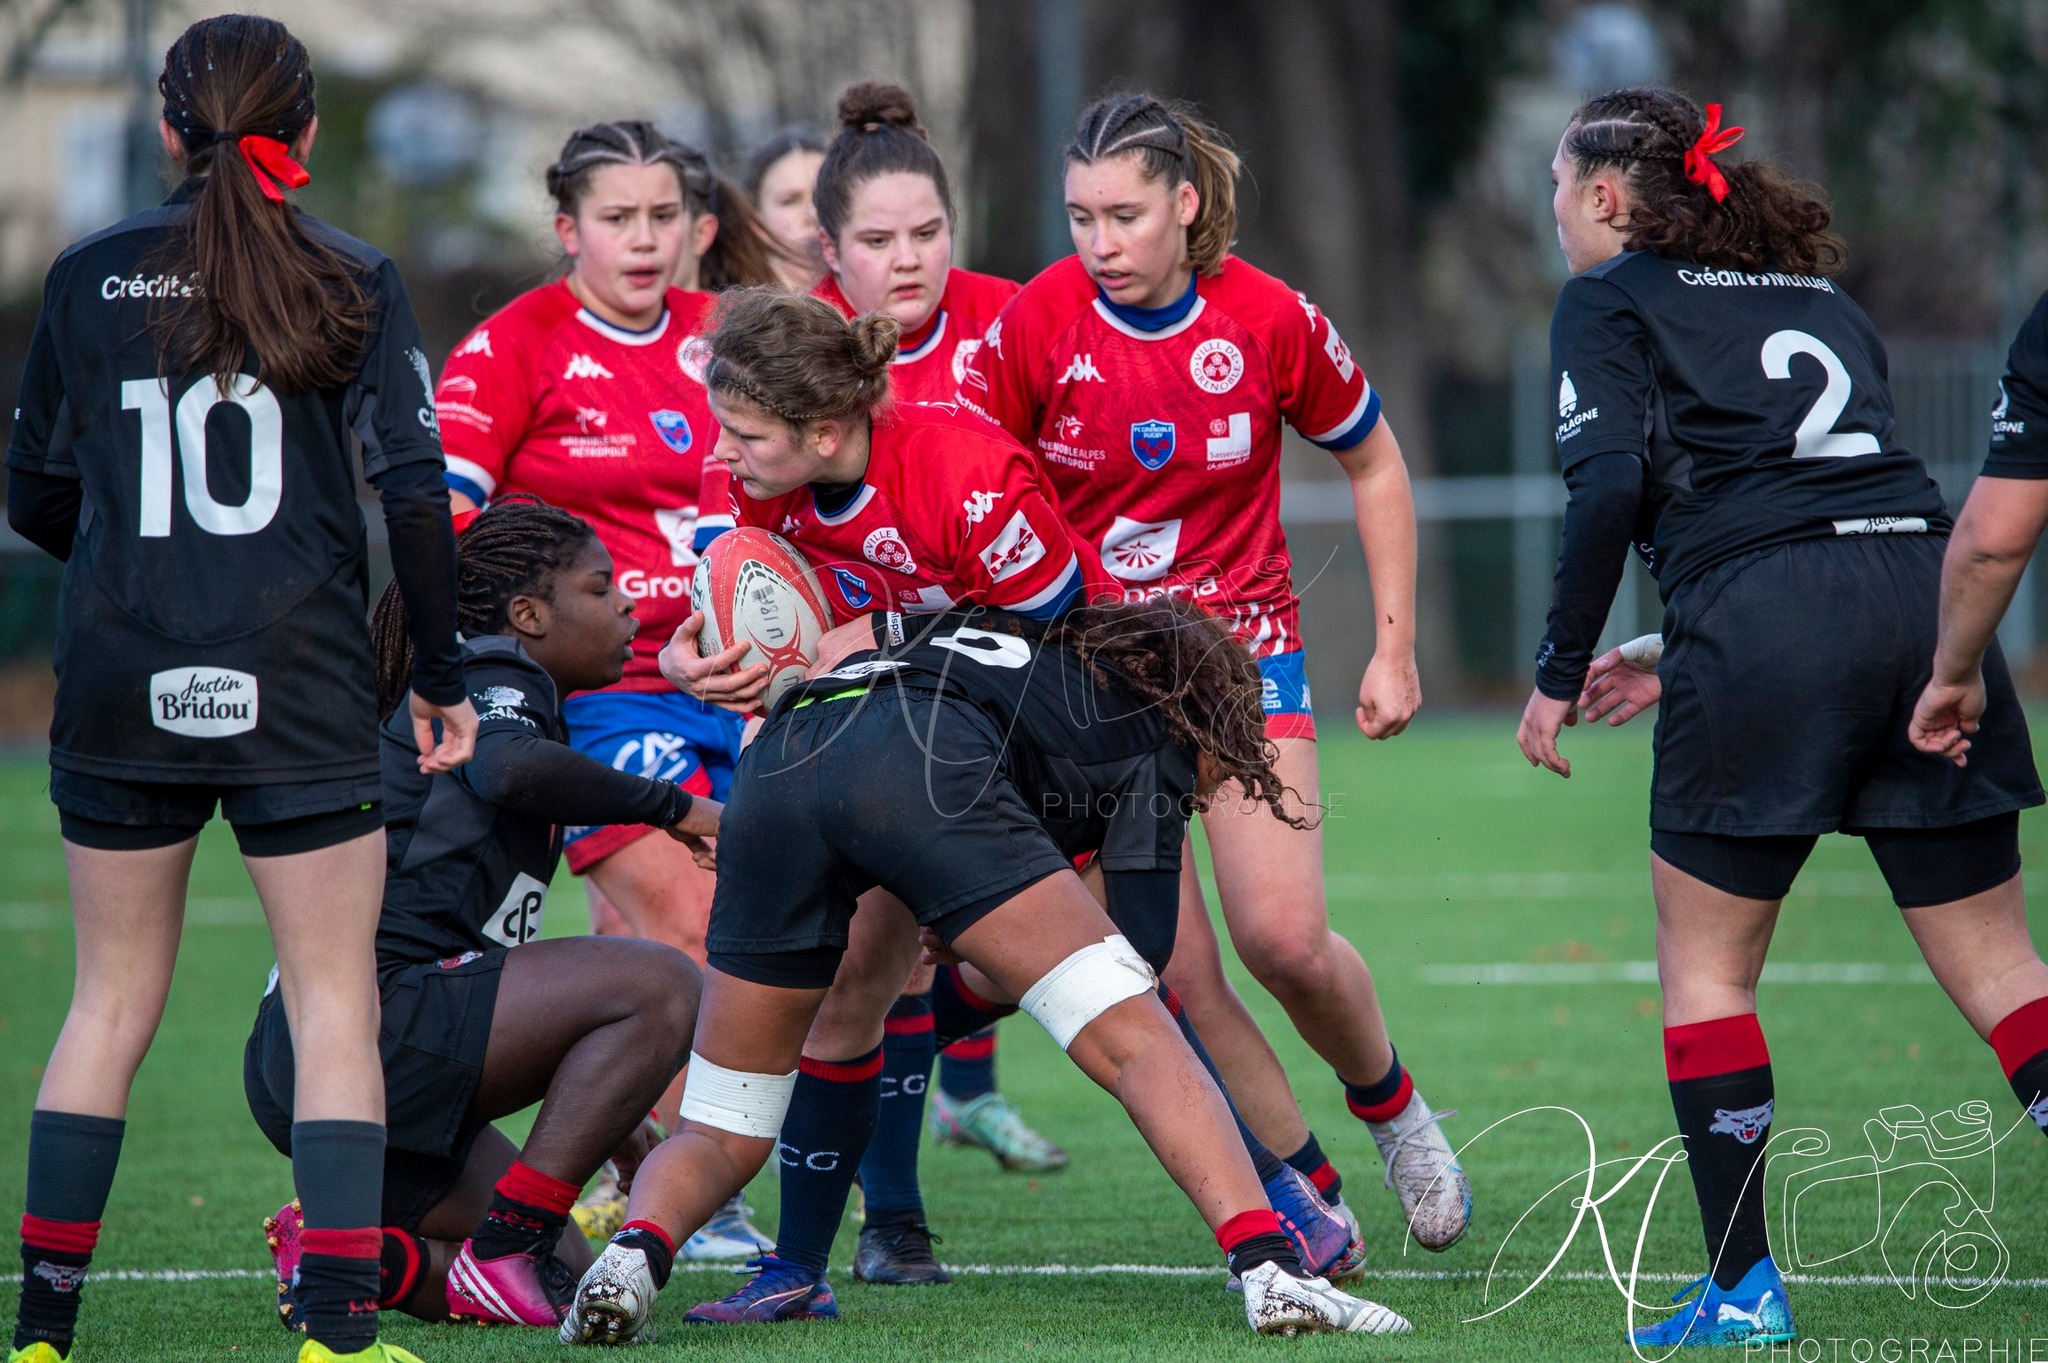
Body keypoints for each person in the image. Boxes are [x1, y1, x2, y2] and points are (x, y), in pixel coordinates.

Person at [660, 290, 1358, 1321]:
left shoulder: (969, 474)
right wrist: (700, 662)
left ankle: (1282, 1202)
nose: (722, 452)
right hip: (889, 751)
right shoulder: (768, 486)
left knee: (1117, 978)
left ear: (824, 428)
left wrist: (879, 637)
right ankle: (813, 1261)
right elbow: (772, 623)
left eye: (745, 432)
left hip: (1038, 750)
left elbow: (1044, 651)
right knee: (858, 985)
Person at [1517, 87, 2048, 1349]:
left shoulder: (1605, 296)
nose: (1555, 214)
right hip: (1920, 599)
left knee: (1706, 973)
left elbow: (1607, 489)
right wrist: (1680, 642)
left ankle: (1742, 1290)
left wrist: (1557, 663)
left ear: (1604, 195)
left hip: (1767, 623)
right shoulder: (1820, 299)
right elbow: (1822, 499)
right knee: (2003, 970)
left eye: (1556, 189)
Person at [564, 584, 1414, 1340]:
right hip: (915, 757)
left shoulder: (1028, 654)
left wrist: (966, 908)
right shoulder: (1150, 733)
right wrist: (982, 928)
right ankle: (1270, 1269)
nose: (1234, 767)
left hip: (781, 757)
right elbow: (1139, 957)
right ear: (1202, 709)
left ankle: (640, 1257)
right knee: (1138, 1032)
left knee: (725, 1119)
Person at [3, 16, 475, 1363]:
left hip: (121, 680)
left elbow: (36, 491)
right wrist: (439, 675)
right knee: (334, 1005)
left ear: (168, 130)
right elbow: (416, 497)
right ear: (304, 133)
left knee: (106, 1005)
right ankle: (336, 1334)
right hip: (299, 687)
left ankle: (41, 1334)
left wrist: (140, 577)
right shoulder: (355, 272)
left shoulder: (84, 274)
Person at [959, 92, 1470, 1253]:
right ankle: (1307, 1194)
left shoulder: (1269, 318)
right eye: (1080, 217)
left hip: (1242, 664)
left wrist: (1393, 647)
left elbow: (1375, 463)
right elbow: (969, 476)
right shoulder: (1039, 320)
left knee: (1281, 940)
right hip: (1091, 683)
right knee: (1174, 971)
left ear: (1185, 205)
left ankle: (1393, 1108)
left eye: (1125, 216)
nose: (1099, 243)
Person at [246, 497, 715, 1332]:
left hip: (316, 1054)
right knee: (665, 985)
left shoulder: (500, 684)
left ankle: (350, 1259)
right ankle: (504, 1245)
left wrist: (604, 1108)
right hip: (377, 1020)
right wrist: (676, 807)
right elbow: (505, 768)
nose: (628, 606)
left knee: (565, 1268)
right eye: (599, 587)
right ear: (527, 614)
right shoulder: (489, 666)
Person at [432, 120, 769, 1260]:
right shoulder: (510, 347)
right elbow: (446, 527)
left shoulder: (730, 333)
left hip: (745, 681)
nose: (643, 238)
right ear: (567, 229)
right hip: (600, 696)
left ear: (700, 226)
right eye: (617, 218)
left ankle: (642, 1167)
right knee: (692, 919)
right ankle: (697, 1191)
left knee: (787, 928)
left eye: (663, 216)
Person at [744, 128, 826, 290]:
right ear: (756, 224)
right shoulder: (727, 304)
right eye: (790, 201)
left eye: (824, 195)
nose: (813, 214)